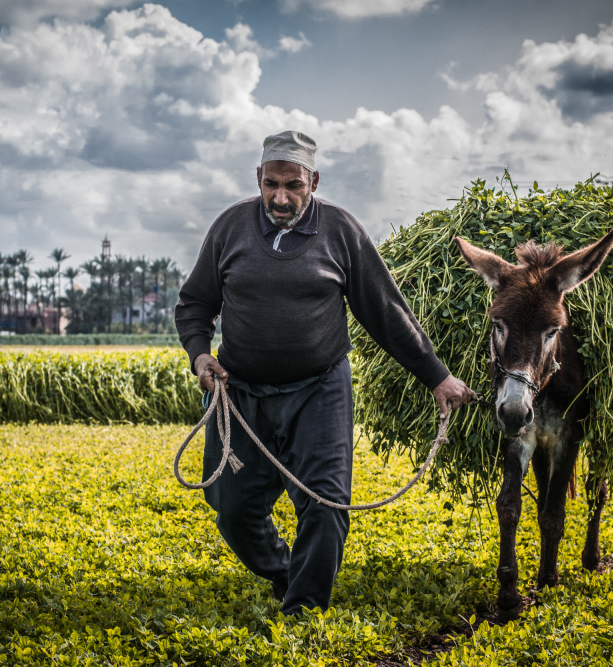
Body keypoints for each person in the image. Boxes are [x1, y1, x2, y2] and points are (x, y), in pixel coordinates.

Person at [174, 130, 475, 616]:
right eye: (271, 184)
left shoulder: (340, 231)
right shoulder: (230, 228)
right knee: (230, 506)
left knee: (326, 504)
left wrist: (437, 376)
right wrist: (199, 354)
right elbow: (195, 305)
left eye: (293, 185)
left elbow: (386, 313)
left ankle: (304, 611)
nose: (281, 197)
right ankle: (284, 571)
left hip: (319, 389)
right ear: (258, 177)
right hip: (241, 393)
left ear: (313, 180)